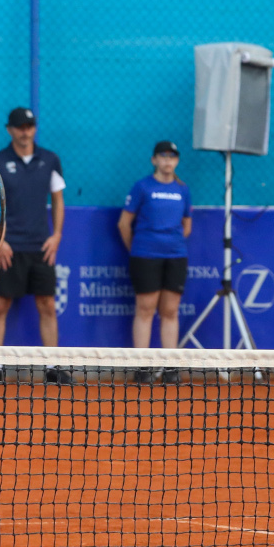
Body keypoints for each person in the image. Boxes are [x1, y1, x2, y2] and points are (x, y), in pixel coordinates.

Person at [0, 107, 71, 385]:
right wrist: (0, 241)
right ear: (10, 129)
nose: (25, 131)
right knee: (0, 304)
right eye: (20, 127)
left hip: (40, 247)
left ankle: (52, 367)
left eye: (30, 126)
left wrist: (56, 236)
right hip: (9, 247)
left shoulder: (50, 159)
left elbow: (57, 199)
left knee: (47, 304)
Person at [117, 140, 192, 384]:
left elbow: (186, 226)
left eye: (172, 156)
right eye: (163, 156)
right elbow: (124, 224)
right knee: (146, 309)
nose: (168, 160)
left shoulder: (183, 189)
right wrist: (139, 249)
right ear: (154, 160)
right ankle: (143, 367)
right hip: (145, 255)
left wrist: (171, 243)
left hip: (175, 257)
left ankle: (170, 368)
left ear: (177, 161)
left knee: (170, 311)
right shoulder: (142, 187)